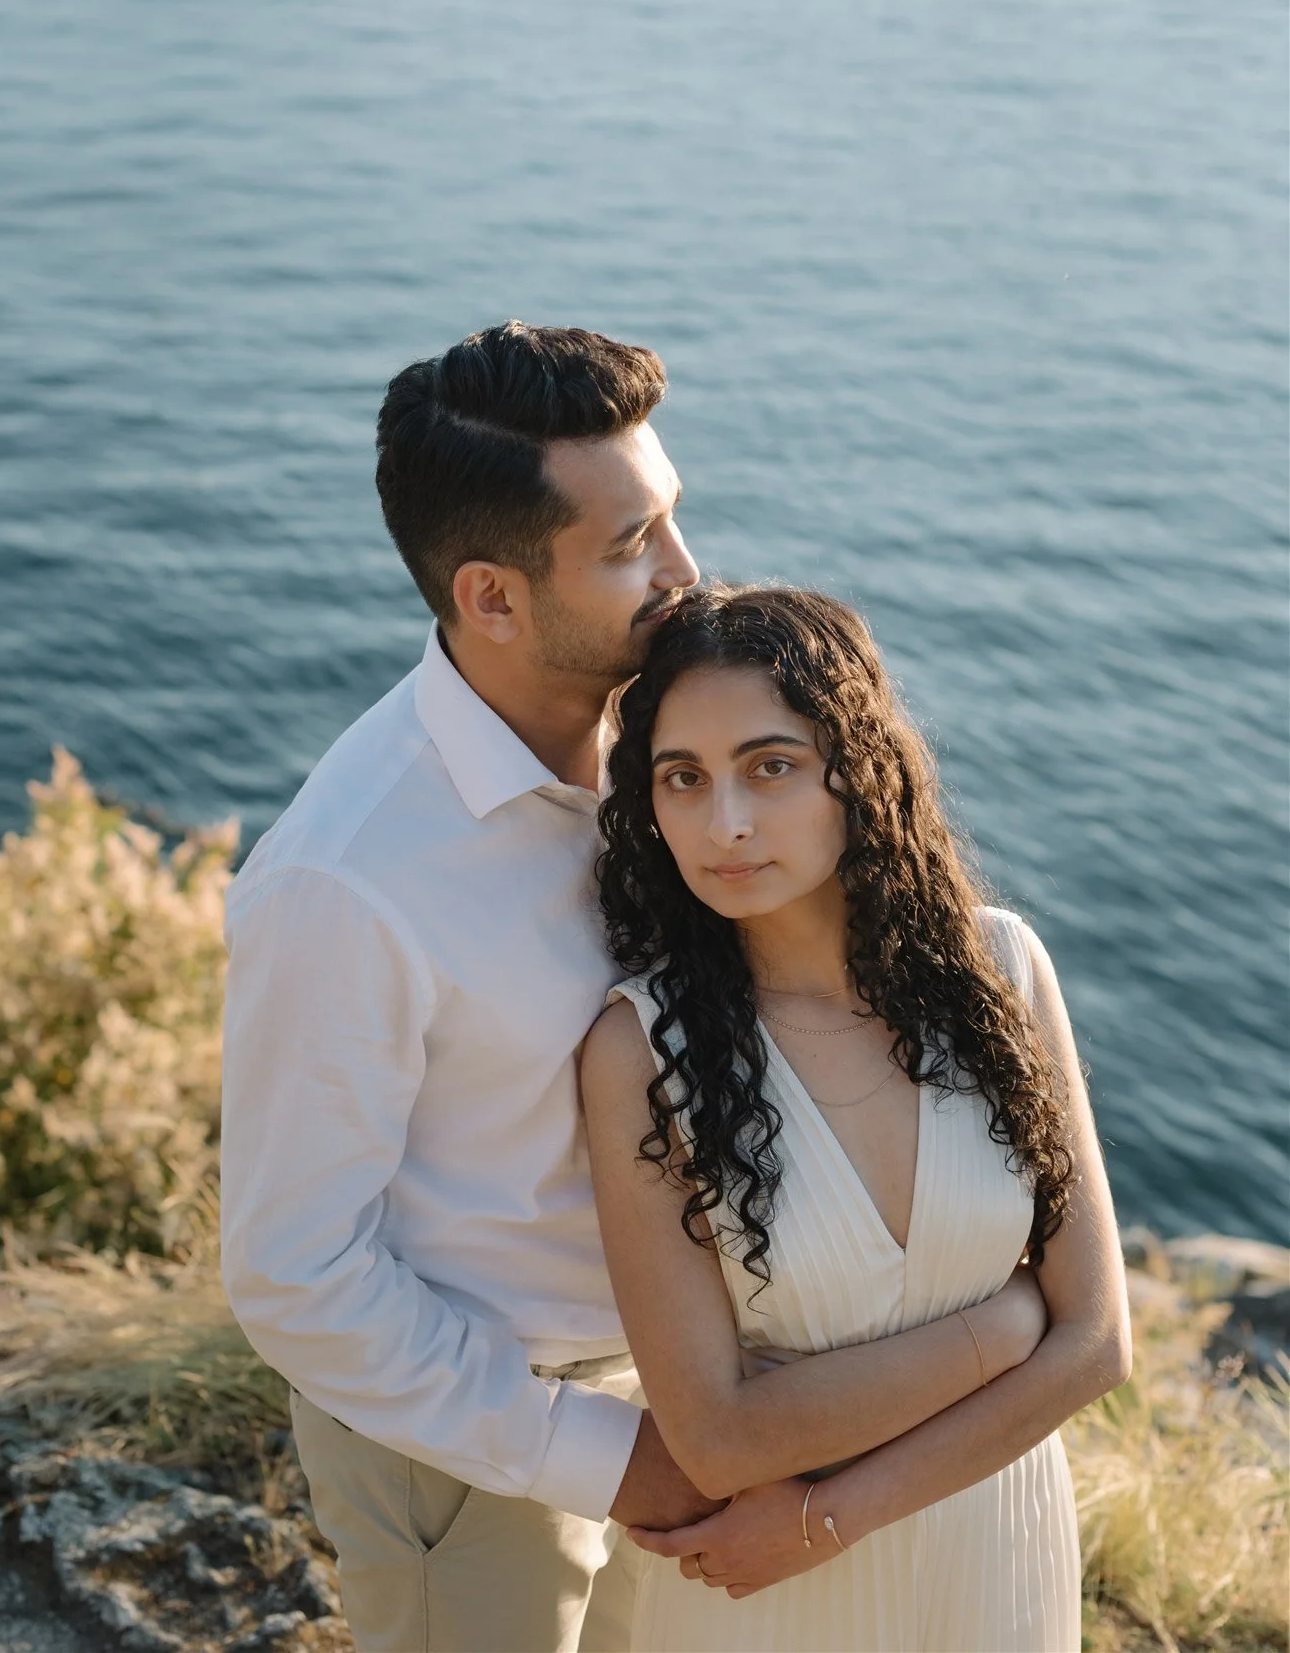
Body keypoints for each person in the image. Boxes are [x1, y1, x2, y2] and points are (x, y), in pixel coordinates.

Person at [218, 324, 1049, 1653]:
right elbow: (292, 1275)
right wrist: (601, 1453)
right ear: (490, 597)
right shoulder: (345, 881)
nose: (683, 574)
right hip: (491, 1457)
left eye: (670, 518)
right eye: (627, 548)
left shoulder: (677, 748)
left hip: (732, 1402)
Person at [582, 584, 1131, 1653]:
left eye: (769, 765)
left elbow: (1098, 1343)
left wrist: (823, 1518)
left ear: (857, 765)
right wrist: (1001, 1326)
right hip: (763, 1602)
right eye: (681, 778)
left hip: (990, 1552)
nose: (723, 821)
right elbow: (716, 1437)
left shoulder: (1002, 970)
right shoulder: (639, 1051)